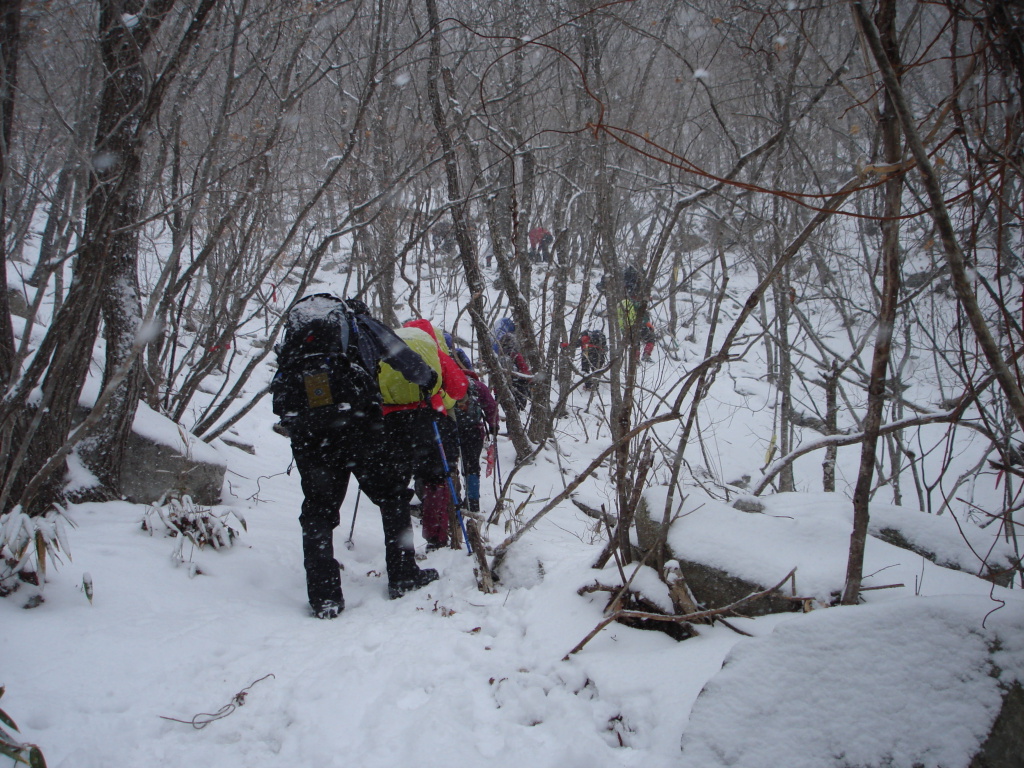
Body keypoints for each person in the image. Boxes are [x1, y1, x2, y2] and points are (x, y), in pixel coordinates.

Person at [271, 294, 440, 618]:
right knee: (392, 496)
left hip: (310, 431)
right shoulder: (360, 322)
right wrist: (427, 378)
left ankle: (325, 597)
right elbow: (401, 355)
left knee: (318, 510)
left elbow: (281, 380)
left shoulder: (297, 336)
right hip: (358, 424)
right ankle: (403, 576)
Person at [379, 318, 468, 551]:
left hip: (390, 423)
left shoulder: (387, 345)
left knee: (395, 486)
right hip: (429, 420)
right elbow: (459, 388)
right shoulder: (433, 351)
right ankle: (436, 538)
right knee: (437, 480)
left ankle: (400, 548)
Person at [444, 337, 500, 514]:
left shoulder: (444, 382)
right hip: (474, 429)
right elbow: (491, 407)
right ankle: (472, 500)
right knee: (472, 465)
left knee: (448, 464)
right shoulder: (476, 385)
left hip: (449, 428)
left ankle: (451, 500)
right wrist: (493, 426)